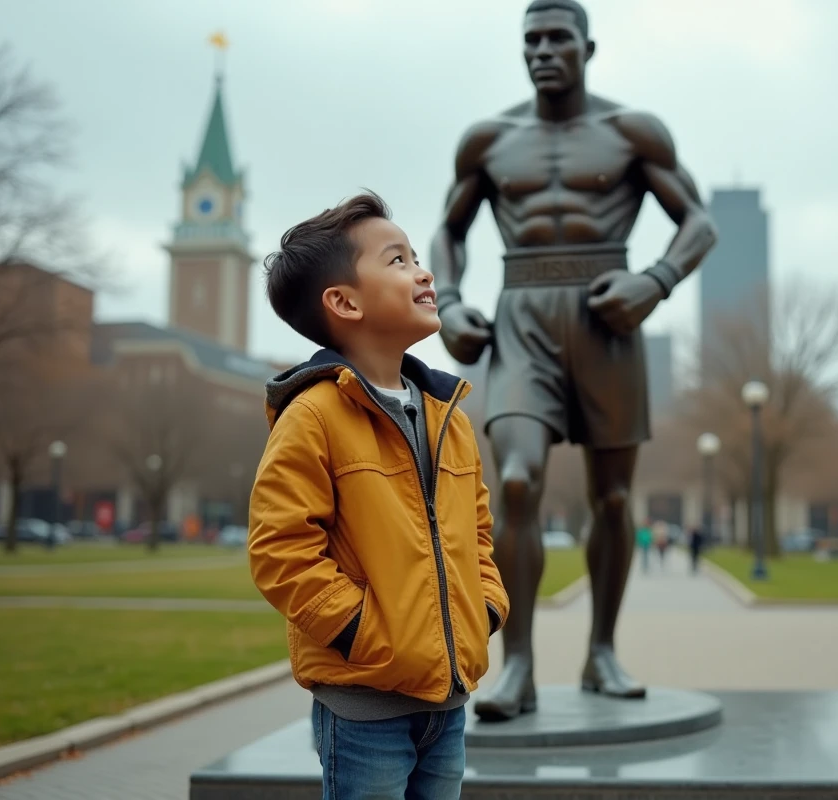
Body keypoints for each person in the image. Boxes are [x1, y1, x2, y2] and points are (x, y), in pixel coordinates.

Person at [430, 0, 717, 720]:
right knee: (519, 481)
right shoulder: (489, 140)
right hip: (520, 317)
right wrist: (450, 300)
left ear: (590, 46)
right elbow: (449, 229)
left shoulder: (631, 131)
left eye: (559, 38)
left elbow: (699, 221)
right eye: (531, 39)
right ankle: (518, 664)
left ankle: (602, 652)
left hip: (606, 317)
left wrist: (655, 282)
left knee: (614, 499)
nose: (543, 50)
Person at [247, 192, 508, 800]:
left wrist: (485, 609)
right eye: (397, 261)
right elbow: (280, 551)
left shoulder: (450, 418)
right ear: (343, 302)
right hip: (364, 712)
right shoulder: (312, 414)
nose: (423, 271)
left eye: (417, 256)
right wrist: (362, 632)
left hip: (448, 705)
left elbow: (479, 534)